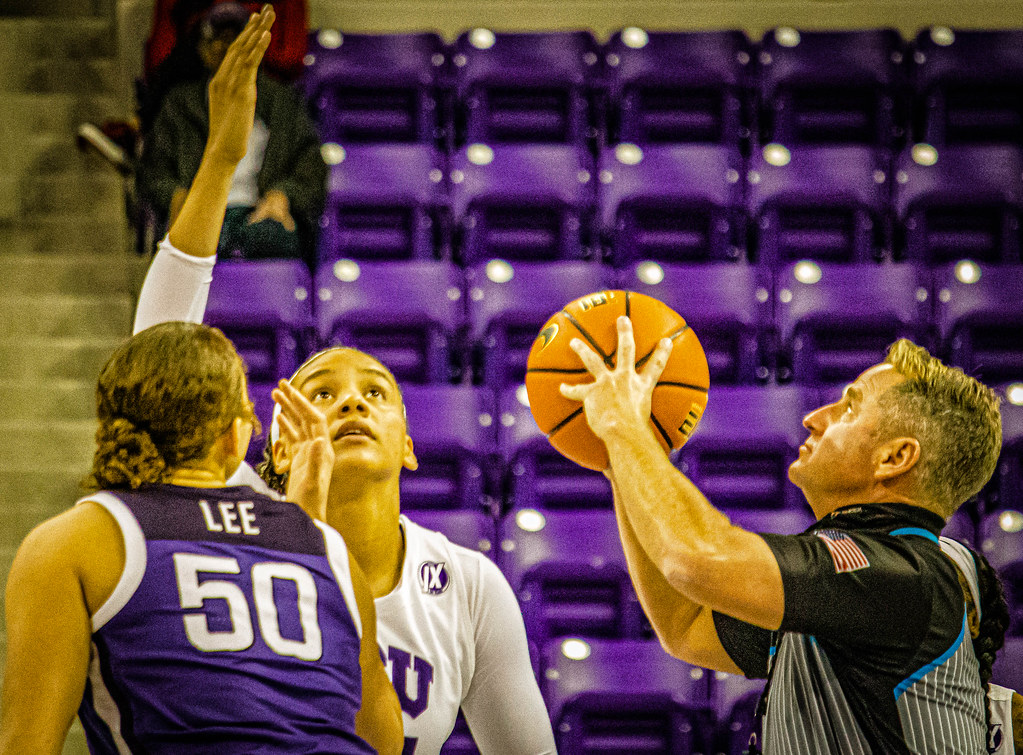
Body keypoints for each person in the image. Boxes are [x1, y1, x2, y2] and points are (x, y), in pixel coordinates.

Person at [128, 6, 557, 754]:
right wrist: (222, 160)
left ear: (410, 447)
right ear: (277, 441)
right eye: (320, 391)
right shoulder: (239, 512)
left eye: (376, 392)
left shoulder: (467, 585)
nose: (351, 398)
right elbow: (158, 347)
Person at [0, 11, 402, 753]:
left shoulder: (77, 541)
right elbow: (381, 734)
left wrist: (220, 157)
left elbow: (27, 742)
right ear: (232, 432)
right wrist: (302, 519)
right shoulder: (325, 545)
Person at [561, 315, 1010, 753]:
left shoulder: (899, 576)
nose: (815, 416)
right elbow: (687, 624)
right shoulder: (857, 587)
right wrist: (619, 460)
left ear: (895, 457)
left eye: (849, 407)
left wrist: (626, 428)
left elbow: (696, 560)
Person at [139, 1, 326, 262]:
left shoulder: (282, 101)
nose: (227, 48)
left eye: (235, 39)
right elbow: (152, 171)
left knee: (275, 238)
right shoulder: (179, 104)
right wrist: (176, 196)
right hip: (202, 213)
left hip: (259, 215)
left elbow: (311, 166)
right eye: (219, 39)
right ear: (203, 47)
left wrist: (283, 195)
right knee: (192, 243)